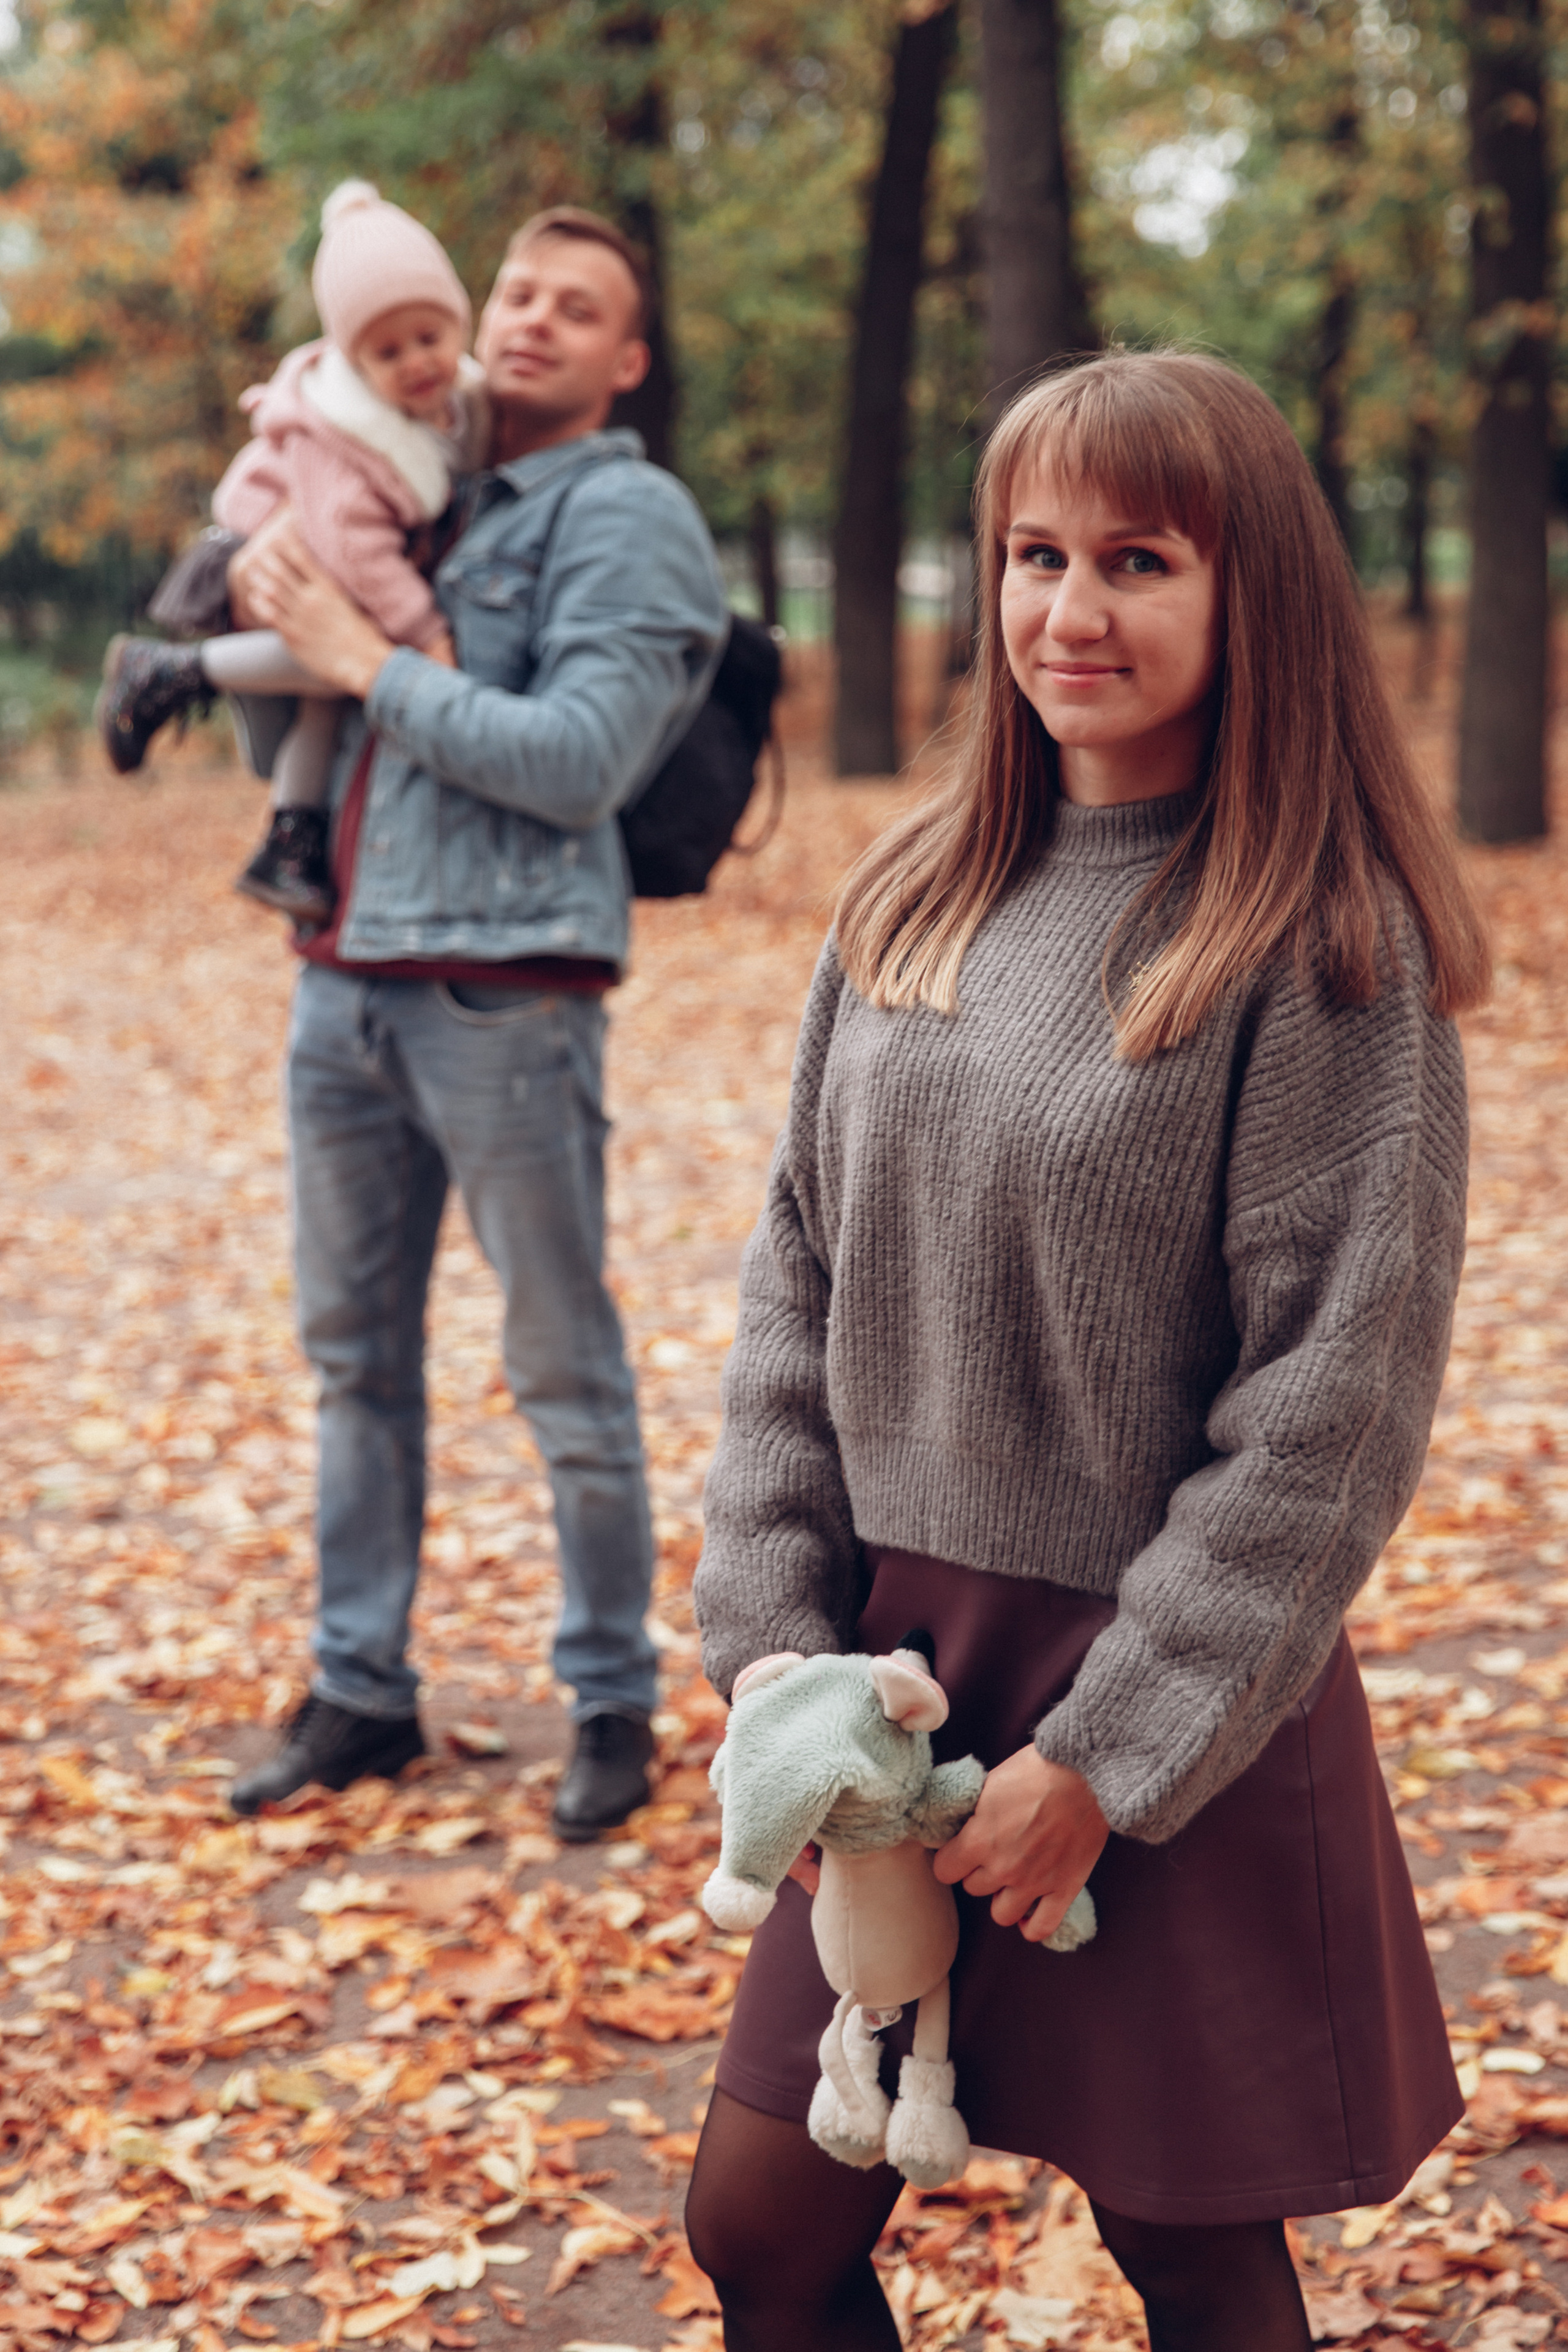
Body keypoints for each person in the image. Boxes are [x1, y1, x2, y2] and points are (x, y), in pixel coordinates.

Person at [687, 350, 1490, 2350]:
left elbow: (1330, 1416)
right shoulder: (911, 896)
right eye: (1033, 556)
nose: (1068, 611)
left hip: (1157, 1691)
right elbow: (800, 1280)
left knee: (1192, 2257)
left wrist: (1105, 1761)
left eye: (1136, 559)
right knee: (764, 2227)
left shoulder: (1320, 948)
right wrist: (773, 1639)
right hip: (891, 1668)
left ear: (1252, 594)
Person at [152, 208, 725, 1835]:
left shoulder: (631, 517)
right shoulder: (413, 473)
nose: (530, 320)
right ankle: (360, 1691)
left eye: (579, 307)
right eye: (516, 292)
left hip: (505, 998)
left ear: (627, 359)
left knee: (561, 1371)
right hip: (341, 983)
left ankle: (611, 1699)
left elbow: (577, 761)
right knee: (353, 1364)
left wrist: (358, 654)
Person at [100, 181, 488, 924]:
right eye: (388, 350)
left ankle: (291, 839)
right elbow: (355, 549)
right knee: (351, 653)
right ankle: (171, 669)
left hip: (322, 557)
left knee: (333, 686)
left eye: (430, 337)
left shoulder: (445, 406)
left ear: (458, 324)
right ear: (353, 360)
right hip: (262, 550)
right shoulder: (345, 434)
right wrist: (428, 633)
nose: (416, 362)